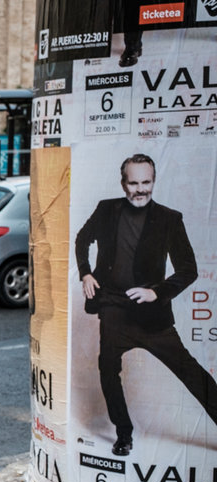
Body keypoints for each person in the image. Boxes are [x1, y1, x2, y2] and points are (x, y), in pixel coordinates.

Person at [75, 153, 217, 456]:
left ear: (153, 181)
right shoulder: (106, 209)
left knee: (189, 369)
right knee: (107, 367)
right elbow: (81, 239)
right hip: (113, 307)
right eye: (134, 183)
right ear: (123, 183)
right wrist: (85, 272)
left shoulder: (169, 219)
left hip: (152, 317)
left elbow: (188, 269)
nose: (140, 189)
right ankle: (123, 434)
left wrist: (158, 292)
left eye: (146, 182)